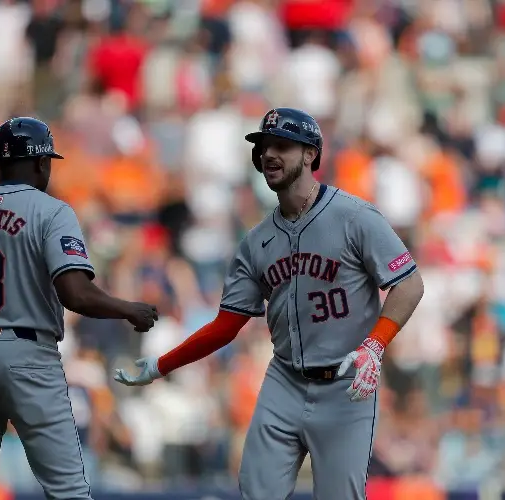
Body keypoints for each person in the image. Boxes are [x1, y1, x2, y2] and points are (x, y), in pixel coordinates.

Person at [113, 108, 425, 499]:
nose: (269, 155)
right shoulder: (256, 242)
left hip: (344, 386)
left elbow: (409, 283)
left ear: (311, 154)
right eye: (263, 147)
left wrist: (375, 345)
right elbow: (227, 325)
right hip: (285, 380)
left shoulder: (355, 217)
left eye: (282, 145)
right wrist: (162, 364)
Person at [0, 117, 158, 500]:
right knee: (68, 493)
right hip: (27, 353)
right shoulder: (52, 212)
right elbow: (75, 294)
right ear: (40, 163)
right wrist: (127, 308)